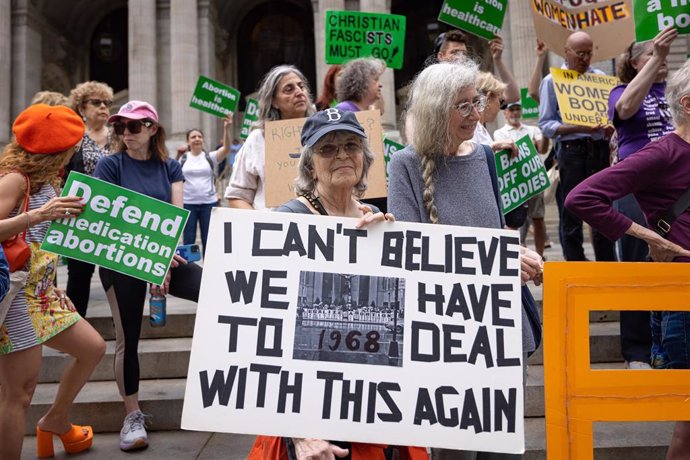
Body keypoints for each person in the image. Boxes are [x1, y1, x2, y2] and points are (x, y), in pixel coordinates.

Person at [249, 108, 426, 460]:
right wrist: (298, 432)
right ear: (310, 164)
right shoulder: (289, 221)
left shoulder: (375, 222)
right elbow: (261, 333)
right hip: (310, 408)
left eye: (351, 145)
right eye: (327, 149)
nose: (343, 154)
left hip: (372, 403)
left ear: (364, 157)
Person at [388, 61, 543, 460]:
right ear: (437, 109)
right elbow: (411, 255)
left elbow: (490, 233)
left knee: (503, 451)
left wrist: (516, 253)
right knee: (454, 453)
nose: (477, 115)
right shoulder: (404, 165)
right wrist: (500, 260)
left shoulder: (486, 157)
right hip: (447, 337)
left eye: (477, 102)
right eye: (464, 106)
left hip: (501, 330)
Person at [565, 59, 690, 460]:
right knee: (687, 428)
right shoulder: (663, 153)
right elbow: (580, 198)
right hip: (683, 302)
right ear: (688, 104)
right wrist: (648, 235)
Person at [94, 100, 203, 451]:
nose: (126, 133)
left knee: (214, 289)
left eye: (134, 127)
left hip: (164, 257)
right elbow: (107, 219)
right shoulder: (110, 165)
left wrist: (160, 259)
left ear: (153, 129)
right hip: (120, 260)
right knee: (128, 337)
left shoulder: (170, 167)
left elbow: (175, 216)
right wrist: (150, 259)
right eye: (120, 127)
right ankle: (132, 415)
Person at [0, 104, 106, 459]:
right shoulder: (15, 179)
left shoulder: (49, 179)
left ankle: (56, 420)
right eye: (73, 143)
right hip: (15, 297)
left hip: (44, 294)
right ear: (56, 149)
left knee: (93, 349)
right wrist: (39, 215)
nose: (78, 148)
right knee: (20, 392)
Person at [606, 27, 679, 370]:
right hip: (637, 187)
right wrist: (658, 59)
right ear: (635, 63)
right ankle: (636, 351)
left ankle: (669, 344)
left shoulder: (677, 92)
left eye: (660, 54)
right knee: (638, 265)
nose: (659, 58)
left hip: (677, 188)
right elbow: (625, 107)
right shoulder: (622, 90)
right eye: (651, 54)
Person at [538, 31, 616, 262]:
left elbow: (609, 113)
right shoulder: (552, 82)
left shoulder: (599, 77)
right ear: (567, 52)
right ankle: (576, 266)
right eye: (580, 53)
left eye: (589, 53)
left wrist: (609, 125)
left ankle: (607, 267)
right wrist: (578, 126)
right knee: (571, 213)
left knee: (603, 209)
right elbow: (546, 125)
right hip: (572, 153)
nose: (585, 58)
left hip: (599, 150)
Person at [225, 65, 315, 210]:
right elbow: (237, 197)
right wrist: (263, 226)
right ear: (274, 101)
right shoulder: (257, 139)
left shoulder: (325, 134)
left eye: (301, 86)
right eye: (289, 89)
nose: (299, 92)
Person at [64, 80, 115, 318]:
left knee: (117, 277)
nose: (104, 107)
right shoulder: (71, 139)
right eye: (96, 102)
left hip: (116, 220)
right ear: (82, 108)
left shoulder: (121, 138)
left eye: (107, 103)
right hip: (81, 219)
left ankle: (123, 330)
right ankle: (75, 326)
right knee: (79, 276)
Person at [494, 102, 550, 256]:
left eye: (518, 109)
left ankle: (540, 255)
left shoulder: (533, 129)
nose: (515, 112)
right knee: (514, 222)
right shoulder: (500, 133)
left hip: (533, 180)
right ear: (505, 113)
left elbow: (542, 149)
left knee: (538, 218)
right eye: (511, 109)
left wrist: (546, 133)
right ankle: (517, 255)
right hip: (514, 183)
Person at [179, 113, 232, 255]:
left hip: (208, 203)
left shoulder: (210, 157)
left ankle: (209, 271)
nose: (197, 139)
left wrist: (226, 128)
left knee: (209, 238)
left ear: (203, 140)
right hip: (188, 203)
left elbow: (226, 149)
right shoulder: (182, 159)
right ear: (188, 142)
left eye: (199, 136)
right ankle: (189, 270)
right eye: (193, 137)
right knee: (188, 240)